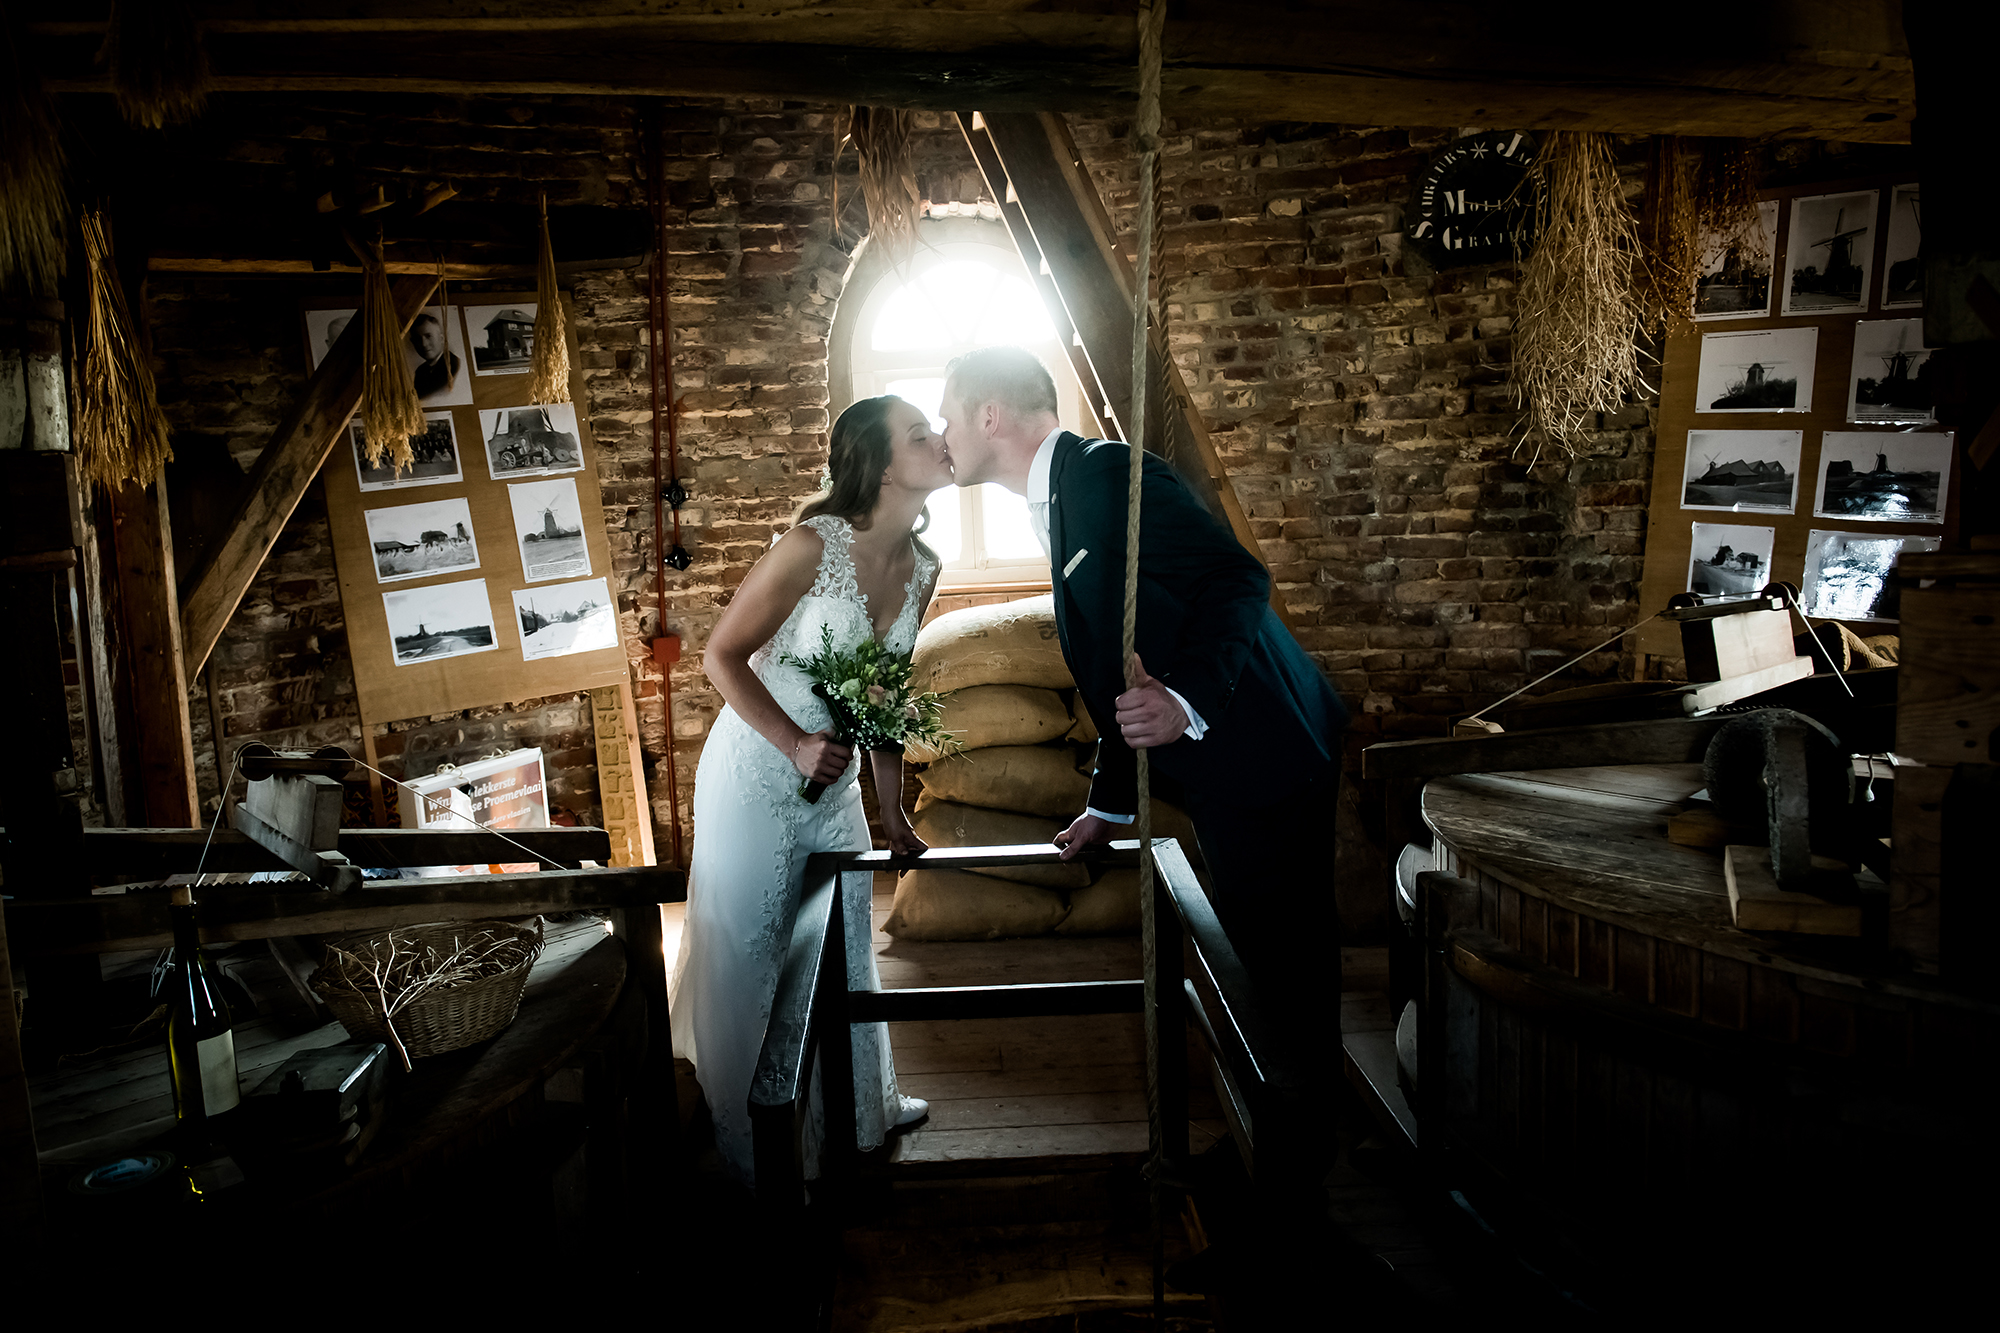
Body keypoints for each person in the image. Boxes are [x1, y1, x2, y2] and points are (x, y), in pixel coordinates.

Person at [937, 346, 1348, 1058]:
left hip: (1265, 748)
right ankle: (1291, 1129)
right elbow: (1118, 669)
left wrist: (1185, 700)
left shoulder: (1103, 475)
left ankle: (1298, 1151)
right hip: (1229, 759)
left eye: (947, 417)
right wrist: (1107, 806)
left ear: (990, 414)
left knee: (1283, 964)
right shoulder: (1061, 494)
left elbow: (1237, 578)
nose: (943, 436)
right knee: (1260, 955)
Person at [671, 394, 949, 1185]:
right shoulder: (808, 546)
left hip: (836, 792)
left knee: (848, 946)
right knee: (754, 950)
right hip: (758, 770)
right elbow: (720, 657)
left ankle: (861, 1112)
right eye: (920, 434)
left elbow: (885, 697)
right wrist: (794, 743)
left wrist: (892, 814)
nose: (940, 440)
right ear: (884, 463)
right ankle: (743, 1145)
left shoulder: (926, 567)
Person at [407, 311, 462, 402]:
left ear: (441, 338)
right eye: (418, 339)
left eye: (428, 336)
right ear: (413, 343)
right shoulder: (420, 371)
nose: (424, 344)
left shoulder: (452, 363)